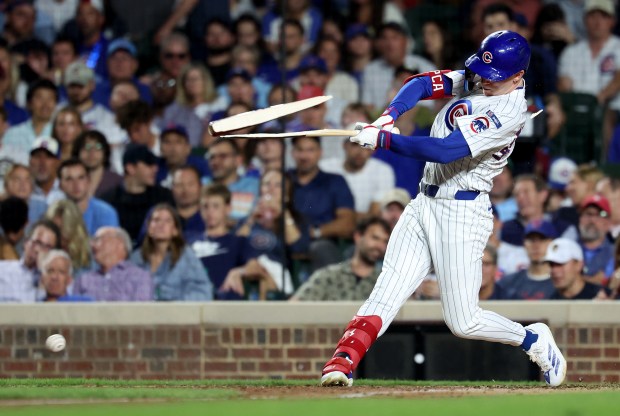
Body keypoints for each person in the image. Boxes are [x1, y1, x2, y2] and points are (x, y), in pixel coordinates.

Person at [319, 30, 567, 388]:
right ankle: (343, 360)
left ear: (518, 77)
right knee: (387, 289)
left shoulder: (509, 111)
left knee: (463, 321)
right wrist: (389, 115)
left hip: (462, 213)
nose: (484, 79)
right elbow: (421, 84)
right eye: (484, 71)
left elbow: (444, 150)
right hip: (424, 202)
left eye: (495, 76)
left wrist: (383, 139)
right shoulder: (481, 76)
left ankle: (532, 339)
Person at [290, 136, 356, 272]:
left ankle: (334, 291)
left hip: (319, 240)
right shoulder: (283, 180)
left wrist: (315, 232)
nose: (304, 156)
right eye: (300, 150)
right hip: (286, 240)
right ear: (293, 153)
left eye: (310, 150)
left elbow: (348, 223)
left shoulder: (334, 181)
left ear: (320, 152)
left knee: (321, 248)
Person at [291, 217, 390, 301]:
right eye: (375, 238)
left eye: (385, 242)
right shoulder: (329, 276)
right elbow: (292, 308)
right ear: (358, 237)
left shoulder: (387, 284)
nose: (380, 246)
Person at [130, 204, 213, 301]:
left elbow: (203, 291)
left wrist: (175, 306)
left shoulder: (186, 256)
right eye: (156, 220)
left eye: (167, 221)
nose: (161, 225)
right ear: (149, 228)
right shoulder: (136, 258)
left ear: (175, 230)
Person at [189, 184, 257, 300]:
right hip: (190, 300)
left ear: (228, 209)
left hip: (224, 304)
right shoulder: (188, 240)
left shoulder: (238, 242)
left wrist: (238, 272)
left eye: (216, 206)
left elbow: (255, 267)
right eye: (205, 206)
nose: (210, 212)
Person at [101, 143, 173, 243]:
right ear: (131, 168)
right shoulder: (108, 201)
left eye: (155, 164)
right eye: (149, 164)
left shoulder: (164, 197)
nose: (155, 169)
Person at [73, 226, 153, 301]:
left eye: (97, 239)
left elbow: (142, 313)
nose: (92, 245)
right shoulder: (83, 280)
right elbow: (73, 313)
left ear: (119, 244)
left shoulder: (140, 278)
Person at [0, 219, 61, 302]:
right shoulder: (3, 270)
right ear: (26, 242)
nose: (39, 250)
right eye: (37, 242)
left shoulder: (55, 281)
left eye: (47, 247)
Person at [57, 158, 119, 235]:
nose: (76, 184)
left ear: (88, 181)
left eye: (81, 178)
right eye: (69, 179)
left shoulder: (106, 213)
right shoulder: (55, 214)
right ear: (60, 185)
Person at [497, 220, 556, 300]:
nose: (536, 246)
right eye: (531, 240)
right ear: (524, 244)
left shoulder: (561, 282)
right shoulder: (508, 283)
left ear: (553, 244)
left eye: (542, 239)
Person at [44, 199, 91, 274]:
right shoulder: (44, 251)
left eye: (61, 229)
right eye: (53, 229)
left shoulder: (91, 256)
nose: (57, 235)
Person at [72, 130, 122, 197]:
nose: (92, 152)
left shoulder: (117, 182)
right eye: (87, 147)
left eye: (98, 147)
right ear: (78, 152)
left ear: (105, 153)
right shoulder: (69, 181)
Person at [578, 194, 614, 285]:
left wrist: (578, 280)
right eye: (588, 214)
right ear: (580, 219)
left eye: (599, 215)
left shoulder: (616, 253)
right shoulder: (568, 249)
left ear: (608, 222)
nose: (592, 220)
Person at [171, 166, 205, 237]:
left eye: (191, 184)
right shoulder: (163, 218)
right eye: (179, 185)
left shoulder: (210, 218)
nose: (185, 190)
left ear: (201, 186)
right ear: (172, 188)